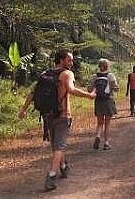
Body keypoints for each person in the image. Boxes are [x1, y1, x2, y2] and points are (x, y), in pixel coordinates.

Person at [18, 50, 95, 191]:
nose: (71, 63)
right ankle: (51, 176)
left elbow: (32, 93)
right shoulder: (67, 74)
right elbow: (71, 90)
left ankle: (63, 166)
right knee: (59, 146)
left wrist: (23, 110)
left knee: (56, 145)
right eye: (69, 60)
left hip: (48, 115)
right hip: (62, 115)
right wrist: (89, 95)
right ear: (60, 60)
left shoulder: (45, 74)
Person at [91, 58, 119, 151]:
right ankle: (106, 143)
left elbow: (90, 89)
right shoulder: (110, 76)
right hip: (108, 100)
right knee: (107, 123)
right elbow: (115, 88)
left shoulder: (95, 76)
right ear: (107, 66)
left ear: (99, 66)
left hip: (98, 101)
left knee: (99, 123)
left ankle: (98, 135)